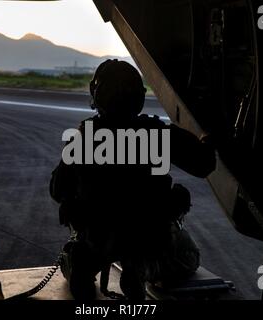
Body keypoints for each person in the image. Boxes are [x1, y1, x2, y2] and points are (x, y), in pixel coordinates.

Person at [50, 59, 215, 300]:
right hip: (146, 238)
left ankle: (84, 263)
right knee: (189, 257)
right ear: (138, 96)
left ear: (97, 95)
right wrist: (208, 140)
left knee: (86, 248)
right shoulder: (156, 133)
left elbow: (57, 190)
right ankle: (139, 269)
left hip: (97, 238)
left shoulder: (82, 137)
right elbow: (203, 165)